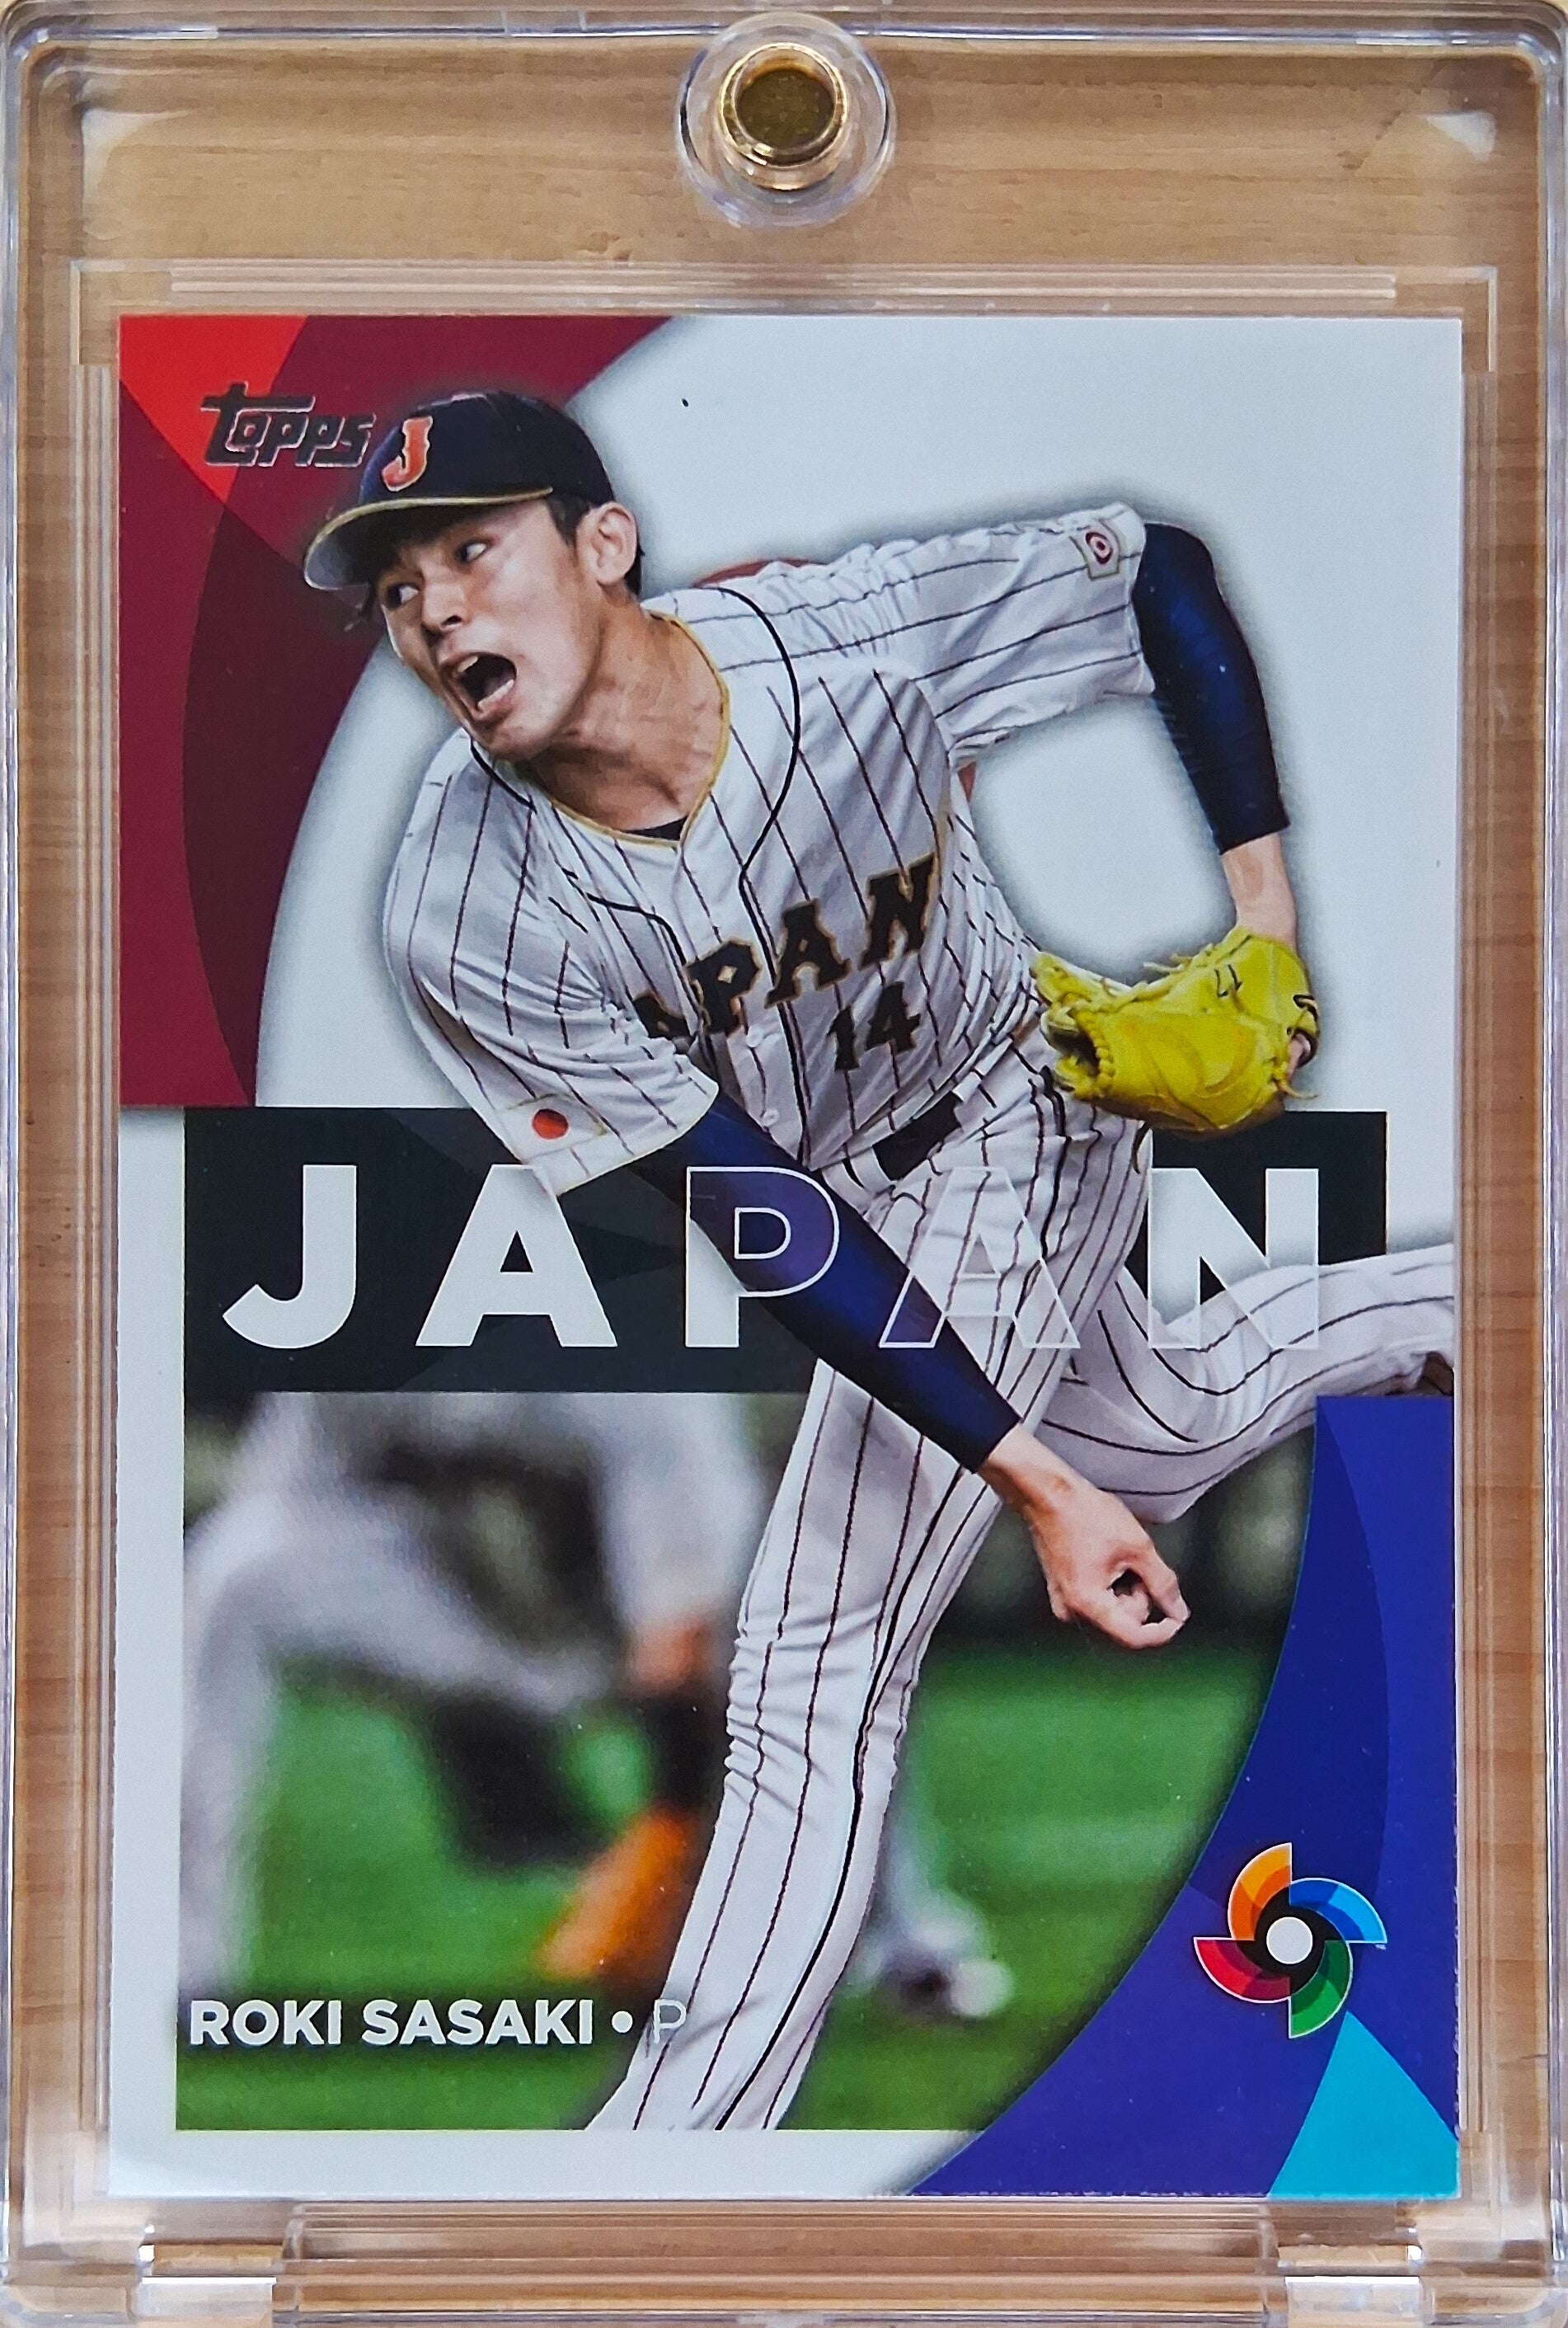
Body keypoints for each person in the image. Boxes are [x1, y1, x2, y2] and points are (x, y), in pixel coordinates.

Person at [302, 388, 1453, 2131]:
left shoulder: (841, 644)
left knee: (810, 1659)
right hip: (836, 1200)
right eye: (399, 588)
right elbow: (757, 1207)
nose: (437, 605)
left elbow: (1158, 573)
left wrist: (1264, 919)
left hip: (1011, 1096)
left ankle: (660, 2167)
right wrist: (1038, 1478)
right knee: (1164, 1426)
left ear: (605, 545)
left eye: (473, 546)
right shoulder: (464, 908)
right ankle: (1486, 1311)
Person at [180, 1390, 1011, 2022]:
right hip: (476, 1614)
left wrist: (663, 1856)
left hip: (657, 1631)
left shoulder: (625, 1318)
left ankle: (905, 1942)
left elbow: (681, 1634)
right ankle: (180, 1969)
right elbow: (285, 1506)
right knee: (234, 1574)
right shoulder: (365, 1311)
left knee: (820, 1607)